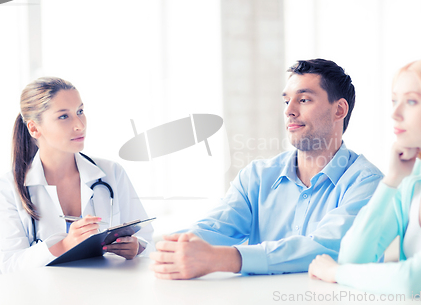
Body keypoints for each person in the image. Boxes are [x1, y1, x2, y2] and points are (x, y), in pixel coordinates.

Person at [150, 58, 383, 279]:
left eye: (303, 100)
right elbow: (215, 227)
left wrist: (228, 259)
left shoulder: (368, 183)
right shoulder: (257, 177)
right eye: (286, 101)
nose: (289, 110)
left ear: (339, 110)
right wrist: (169, 245)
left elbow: (330, 247)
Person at [308, 55, 421, 294]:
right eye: (394, 101)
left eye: (411, 102)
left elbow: (410, 280)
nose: (395, 113)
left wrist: (335, 272)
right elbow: (353, 258)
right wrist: (391, 181)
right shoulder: (412, 178)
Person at [0, 77, 155, 274]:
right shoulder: (8, 187)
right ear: (34, 128)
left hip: (107, 291)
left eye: (80, 112)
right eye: (63, 116)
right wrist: (64, 244)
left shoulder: (112, 173)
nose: (79, 125)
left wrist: (137, 248)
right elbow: (10, 265)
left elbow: (147, 239)